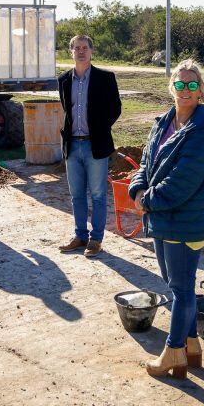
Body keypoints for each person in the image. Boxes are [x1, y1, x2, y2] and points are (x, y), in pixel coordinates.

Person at [128, 59, 204, 379]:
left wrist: (147, 202)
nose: (185, 90)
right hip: (163, 218)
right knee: (179, 286)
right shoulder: (164, 122)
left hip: (184, 220)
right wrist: (137, 189)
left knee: (179, 291)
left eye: (192, 85)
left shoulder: (202, 131)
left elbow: (183, 181)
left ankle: (173, 351)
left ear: (200, 91)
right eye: (179, 84)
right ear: (172, 88)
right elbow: (145, 162)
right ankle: (191, 346)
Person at [57, 35, 121, 258]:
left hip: (96, 145)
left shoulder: (105, 78)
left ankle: (96, 239)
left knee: (98, 194)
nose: (81, 51)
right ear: (71, 52)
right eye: (77, 48)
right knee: (76, 195)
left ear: (91, 51)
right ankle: (80, 236)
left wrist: (100, 129)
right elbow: (67, 110)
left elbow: (115, 108)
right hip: (72, 145)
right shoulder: (64, 80)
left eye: (85, 48)